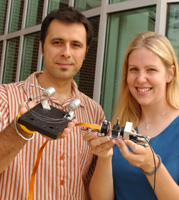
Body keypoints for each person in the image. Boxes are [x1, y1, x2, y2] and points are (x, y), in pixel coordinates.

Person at [0, 7, 104, 200]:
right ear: (41, 47)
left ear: (85, 52)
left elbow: (91, 185)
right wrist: (20, 129)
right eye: (57, 42)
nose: (66, 52)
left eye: (76, 45)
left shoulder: (94, 112)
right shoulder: (5, 98)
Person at [84, 31, 179, 200]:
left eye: (151, 70)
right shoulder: (120, 126)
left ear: (170, 74)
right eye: (134, 70)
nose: (140, 79)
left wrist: (152, 166)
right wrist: (105, 157)